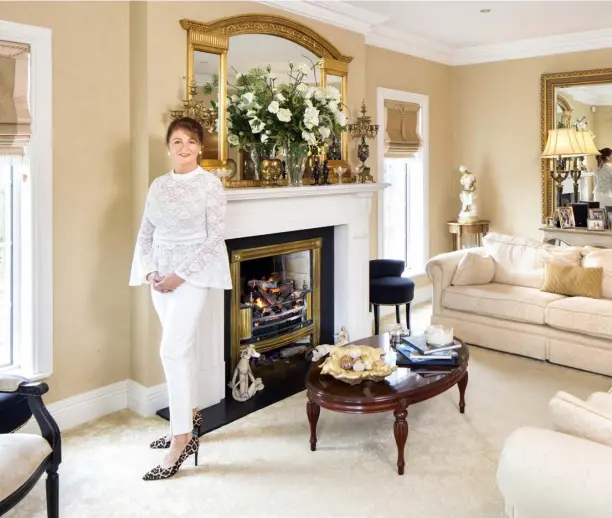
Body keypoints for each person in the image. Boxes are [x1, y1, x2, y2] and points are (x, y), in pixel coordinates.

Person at [129, 117, 232, 480]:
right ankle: (187, 419)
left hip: (191, 278)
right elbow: (146, 233)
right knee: (182, 353)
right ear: (168, 147)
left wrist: (179, 275)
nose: (184, 147)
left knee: (170, 350)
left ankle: (181, 438)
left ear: (200, 147)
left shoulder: (210, 185)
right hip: (160, 279)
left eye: (191, 141)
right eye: (177, 141)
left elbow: (214, 237)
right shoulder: (158, 185)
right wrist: (150, 272)